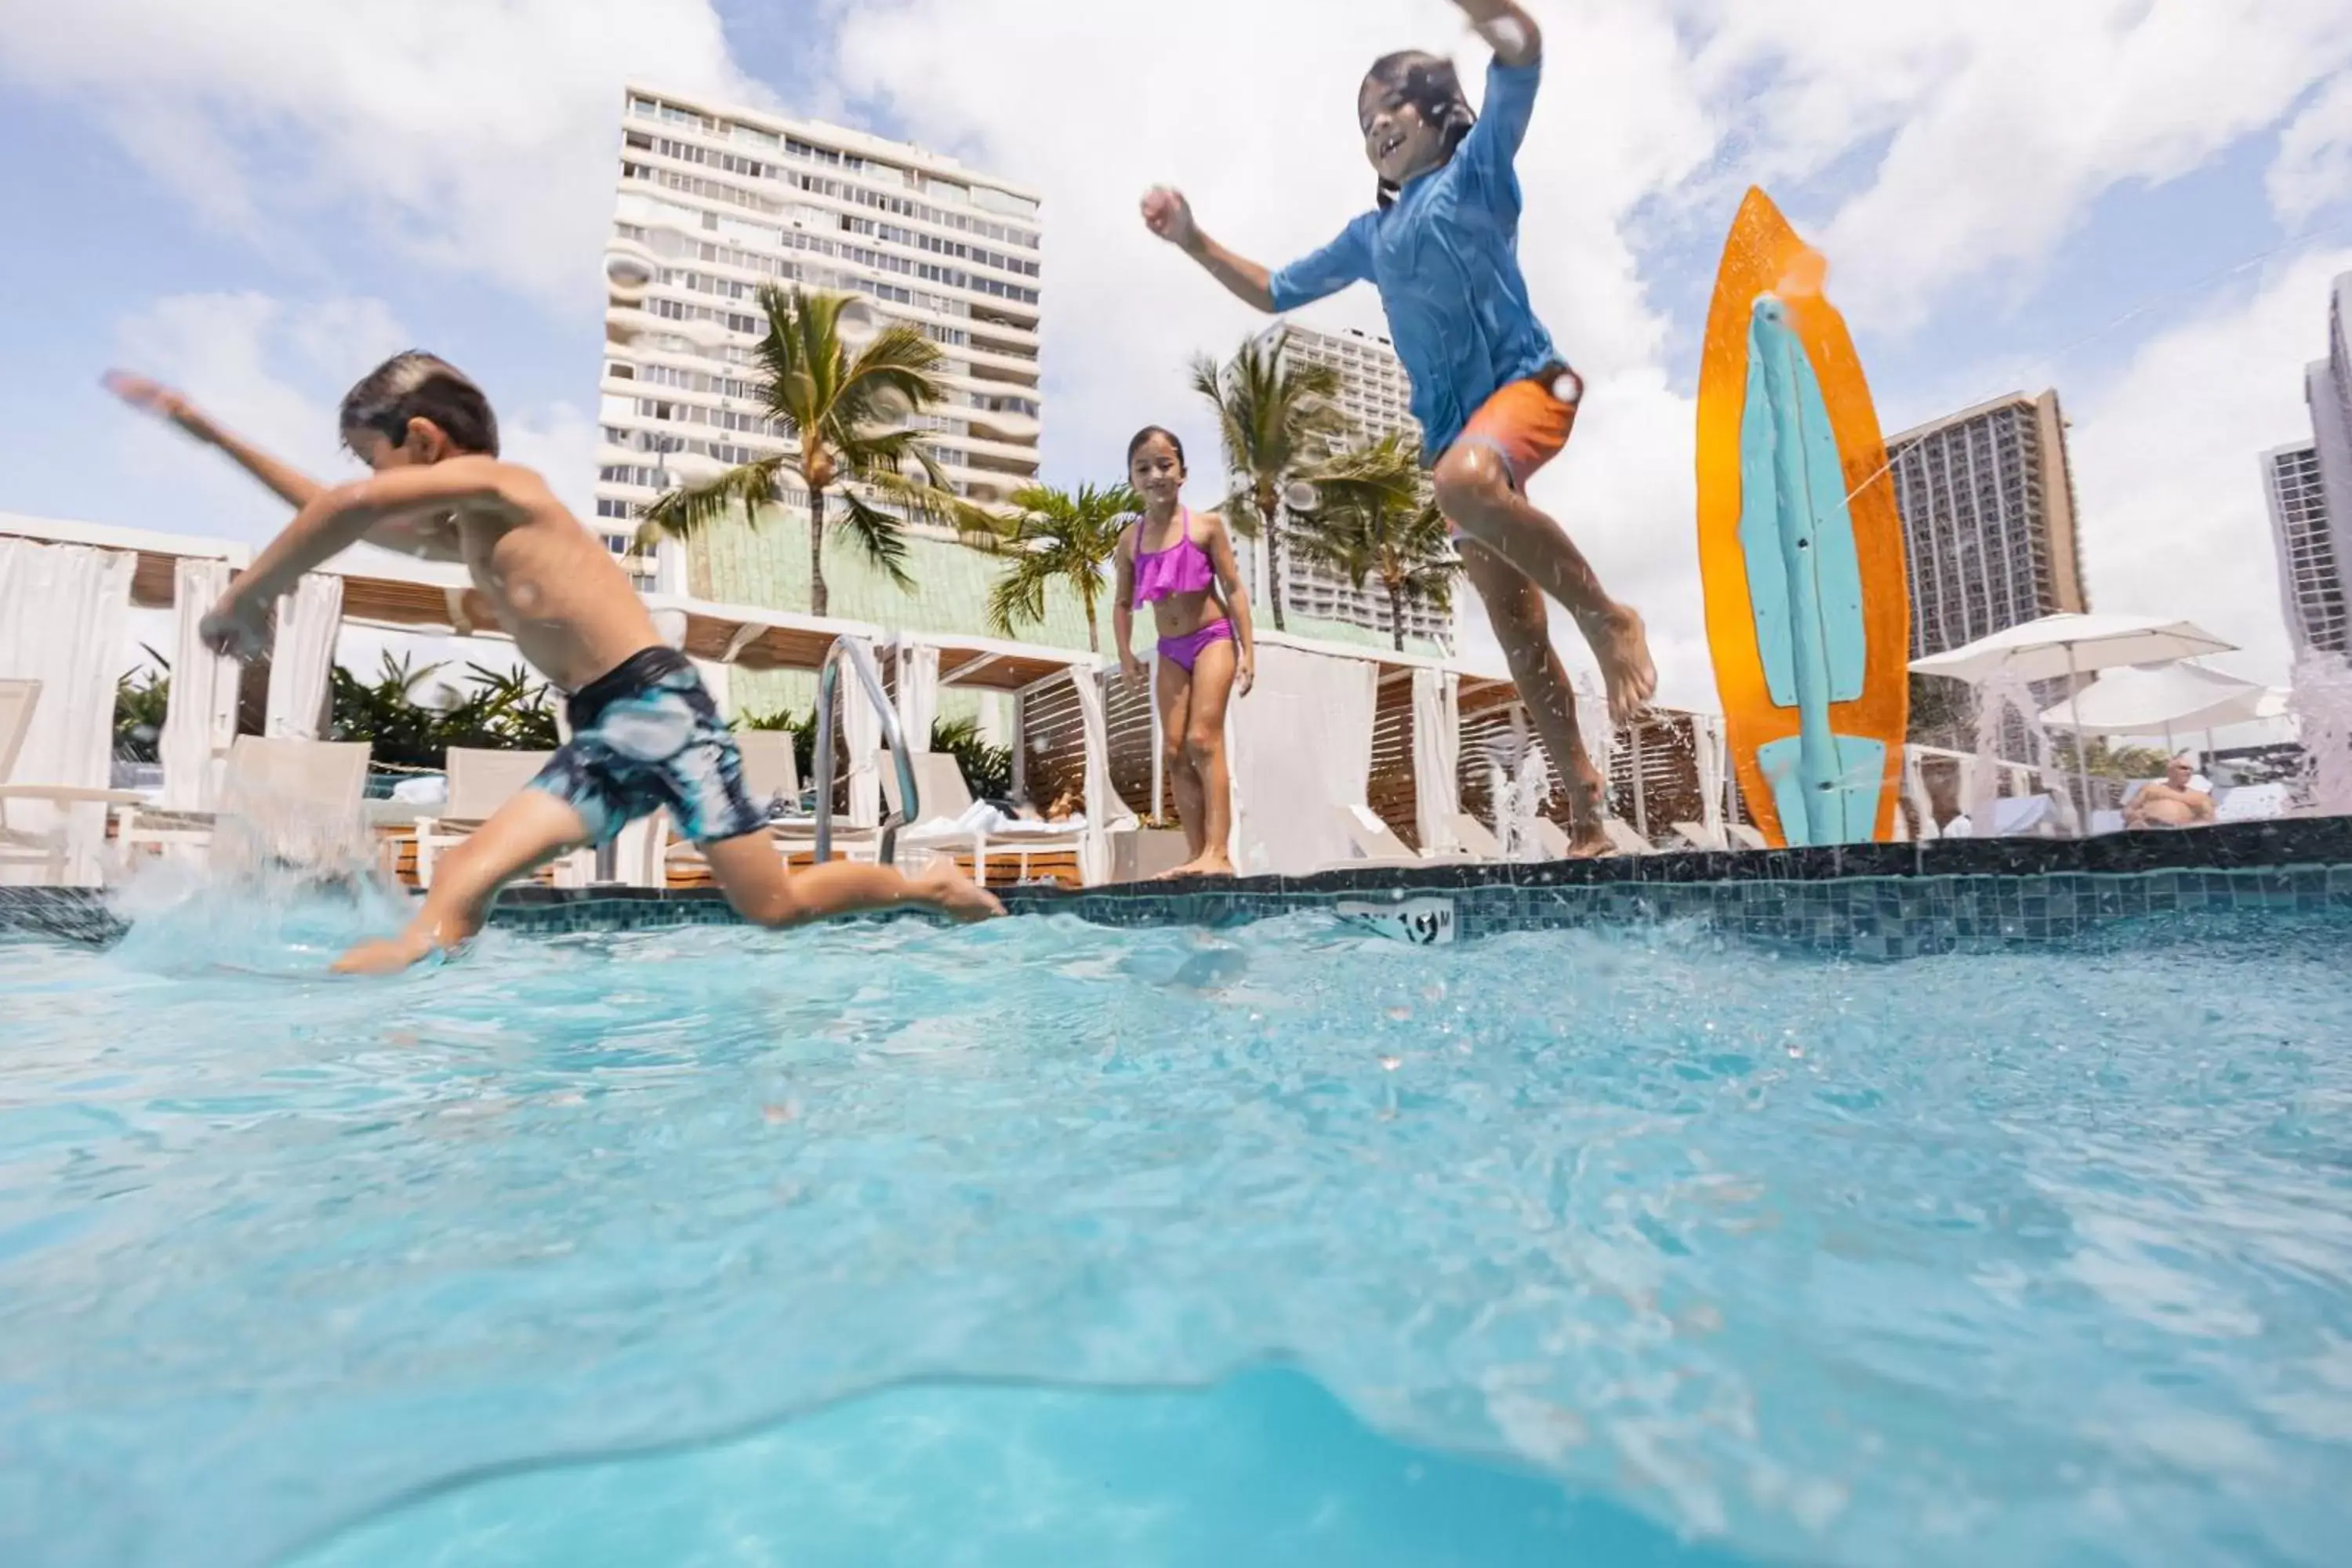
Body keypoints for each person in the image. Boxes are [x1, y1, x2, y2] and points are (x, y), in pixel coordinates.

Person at [103, 355, 1000, 973]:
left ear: (421, 441)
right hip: (608, 726)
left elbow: (350, 504)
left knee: (771, 904)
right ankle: (403, 987)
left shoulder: (512, 488)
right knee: (470, 875)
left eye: (376, 454)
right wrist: (215, 436)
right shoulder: (475, 527)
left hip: (661, 710)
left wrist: (247, 598)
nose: (377, 479)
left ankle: (925, 885)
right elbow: (345, 509)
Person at [1140, 0, 1653, 858]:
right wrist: (1195, 239)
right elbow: (1275, 291)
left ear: (1440, 112)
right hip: (1456, 439)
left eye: (1391, 106)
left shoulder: (1479, 170)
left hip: (1531, 387)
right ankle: (1589, 815)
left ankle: (1609, 616)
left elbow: (1523, 57)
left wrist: (1489, 15)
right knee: (1518, 634)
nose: (1376, 125)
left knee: (1464, 481)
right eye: (1363, 119)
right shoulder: (1373, 237)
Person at [1111, 426, 1256, 878]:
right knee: (1174, 751)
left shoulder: (1207, 527)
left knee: (1202, 739)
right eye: (1143, 468)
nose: (1155, 474)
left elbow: (1233, 588)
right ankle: (1197, 855)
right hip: (1170, 649)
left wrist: (1248, 650)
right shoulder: (1130, 542)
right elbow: (1121, 602)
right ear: (1132, 479)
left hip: (1212, 638)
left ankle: (1221, 853)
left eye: (1164, 464)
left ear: (1183, 473)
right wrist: (1125, 653)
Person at [2125, 754, 2217, 829]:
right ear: (2170, 772)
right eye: (2183, 768)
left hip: (2181, 833)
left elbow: (2209, 820)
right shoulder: (2151, 789)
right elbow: (2128, 810)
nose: (2188, 772)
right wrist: (2134, 815)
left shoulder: (2199, 796)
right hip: (2150, 828)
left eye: (2190, 769)